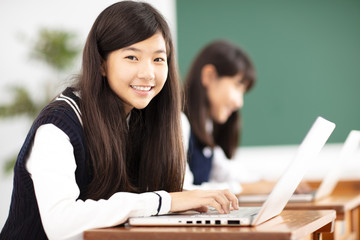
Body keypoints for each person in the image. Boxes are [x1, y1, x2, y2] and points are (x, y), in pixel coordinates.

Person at [0, 2, 238, 240]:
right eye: (132, 57)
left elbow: (136, 203)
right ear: (102, 63)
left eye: (158, 59)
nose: (148, 73)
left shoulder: (141, 118)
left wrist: (184, 200)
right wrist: (166, 200)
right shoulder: (58, 126)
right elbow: (60, 222)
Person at [181, 40, 258, 194]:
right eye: (237, 85)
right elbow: (184, 191)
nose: (239, 102)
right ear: (209, 76)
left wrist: (277, 186)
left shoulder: (205, 129)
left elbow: (228, 172)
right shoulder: (179, 123)